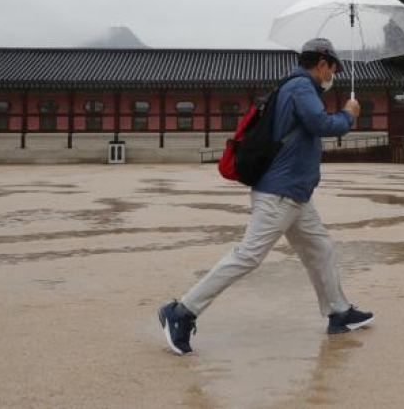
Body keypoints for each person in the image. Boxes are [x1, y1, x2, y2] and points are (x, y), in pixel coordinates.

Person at [158, 38, 374, 356]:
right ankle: (181, 312)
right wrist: (349, 115)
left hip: (295, 195)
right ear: (323, 63)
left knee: (321, 249)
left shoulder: (296, 87)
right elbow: (322, 124)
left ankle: (338, 312)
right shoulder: (301, 87)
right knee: (248, 256)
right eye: (334, 69)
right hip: (279, 194)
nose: (334, 76)